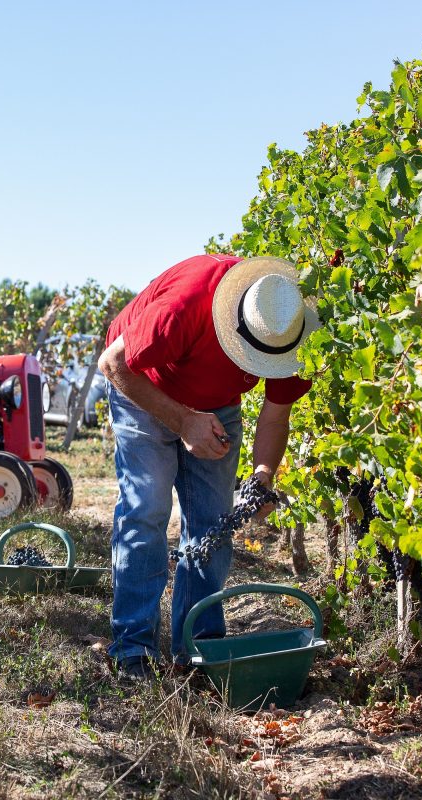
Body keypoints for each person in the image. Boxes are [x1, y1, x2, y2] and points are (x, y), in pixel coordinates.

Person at [97, 254, 319, 680]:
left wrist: (262, 477)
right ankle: (133, 650)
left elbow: (275, 417)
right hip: (143, 385)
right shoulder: (186, 306)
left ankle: (197, 650)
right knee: (147, 509)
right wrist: (183, 421)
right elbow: (113, 364)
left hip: (216, 401)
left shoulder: (287, 324)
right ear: (234, 326)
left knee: (213, 524)